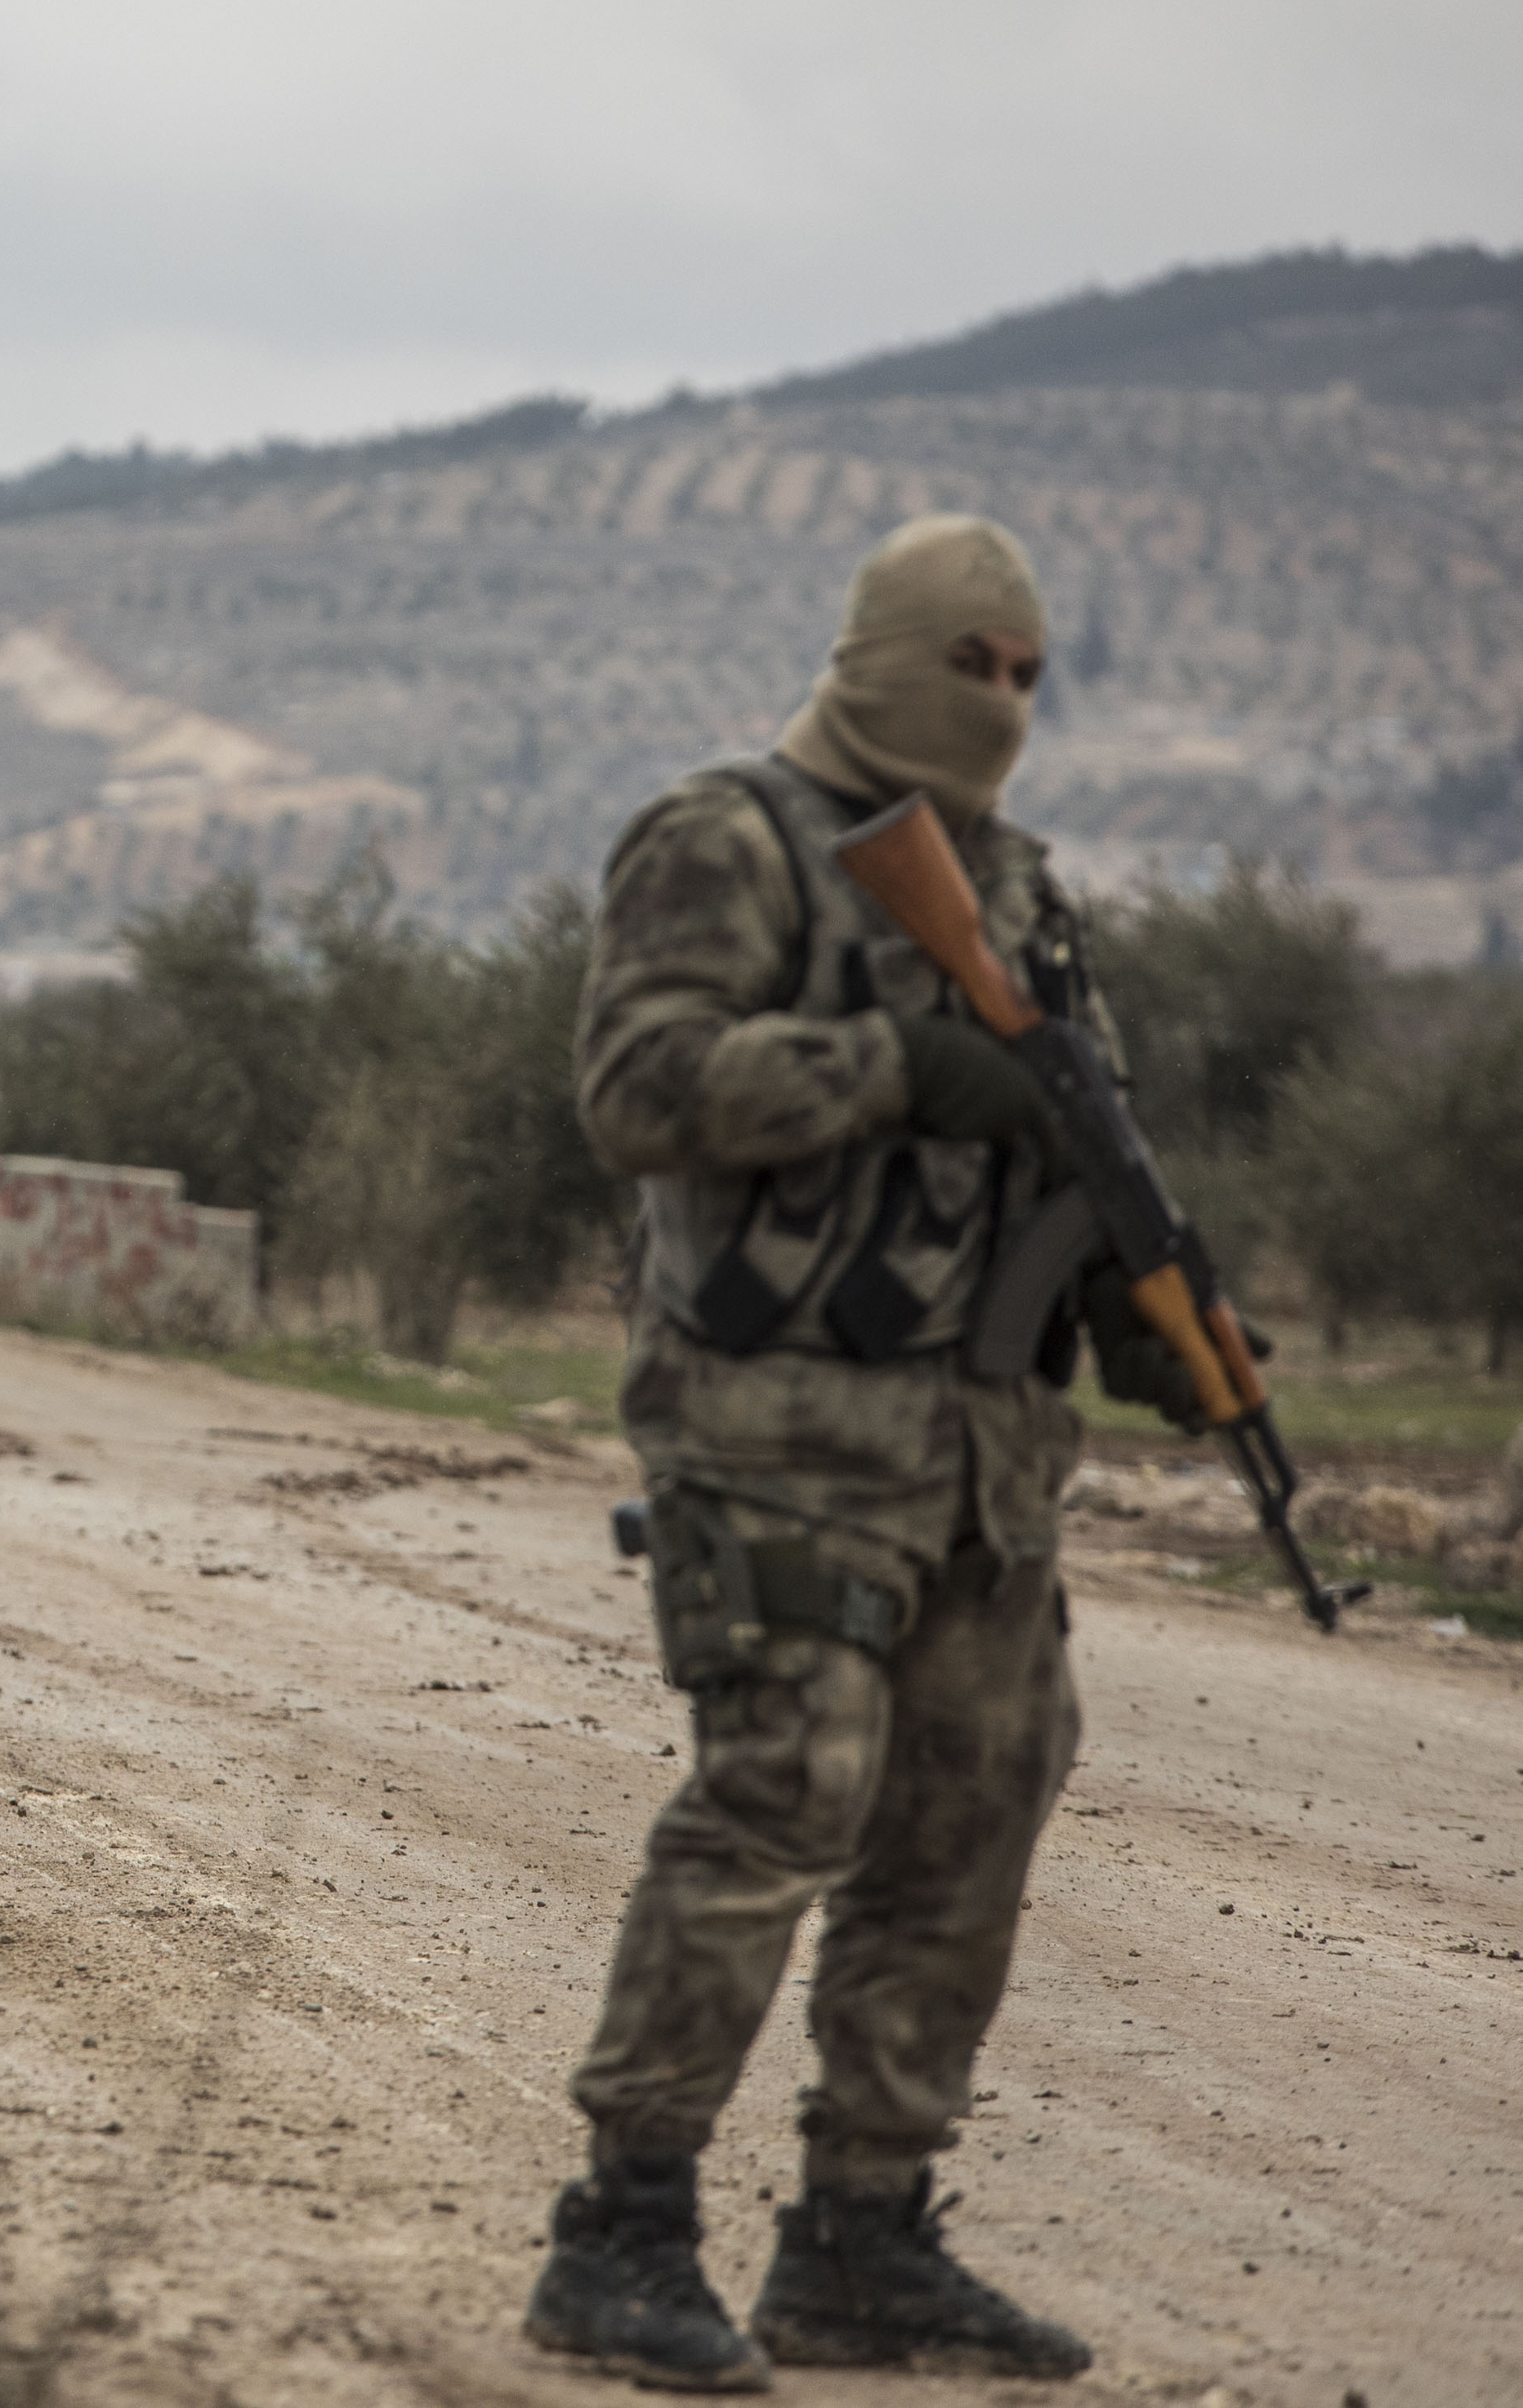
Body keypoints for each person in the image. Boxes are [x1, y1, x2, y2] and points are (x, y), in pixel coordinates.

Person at [527, 515, 1197, 2389]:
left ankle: (859, 2240)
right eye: (961, 663)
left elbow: (1082, 1141)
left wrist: (1144, 1316)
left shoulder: (1022, 888)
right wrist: (888, 1067)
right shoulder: (724, 838)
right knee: (778, 1794)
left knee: (966, 1816)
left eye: (1021, 673)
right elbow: (634, 1085)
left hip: (982, 1450)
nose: (991, 702)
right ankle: (621, 2230)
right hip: (774, 1429)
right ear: (873, 652)